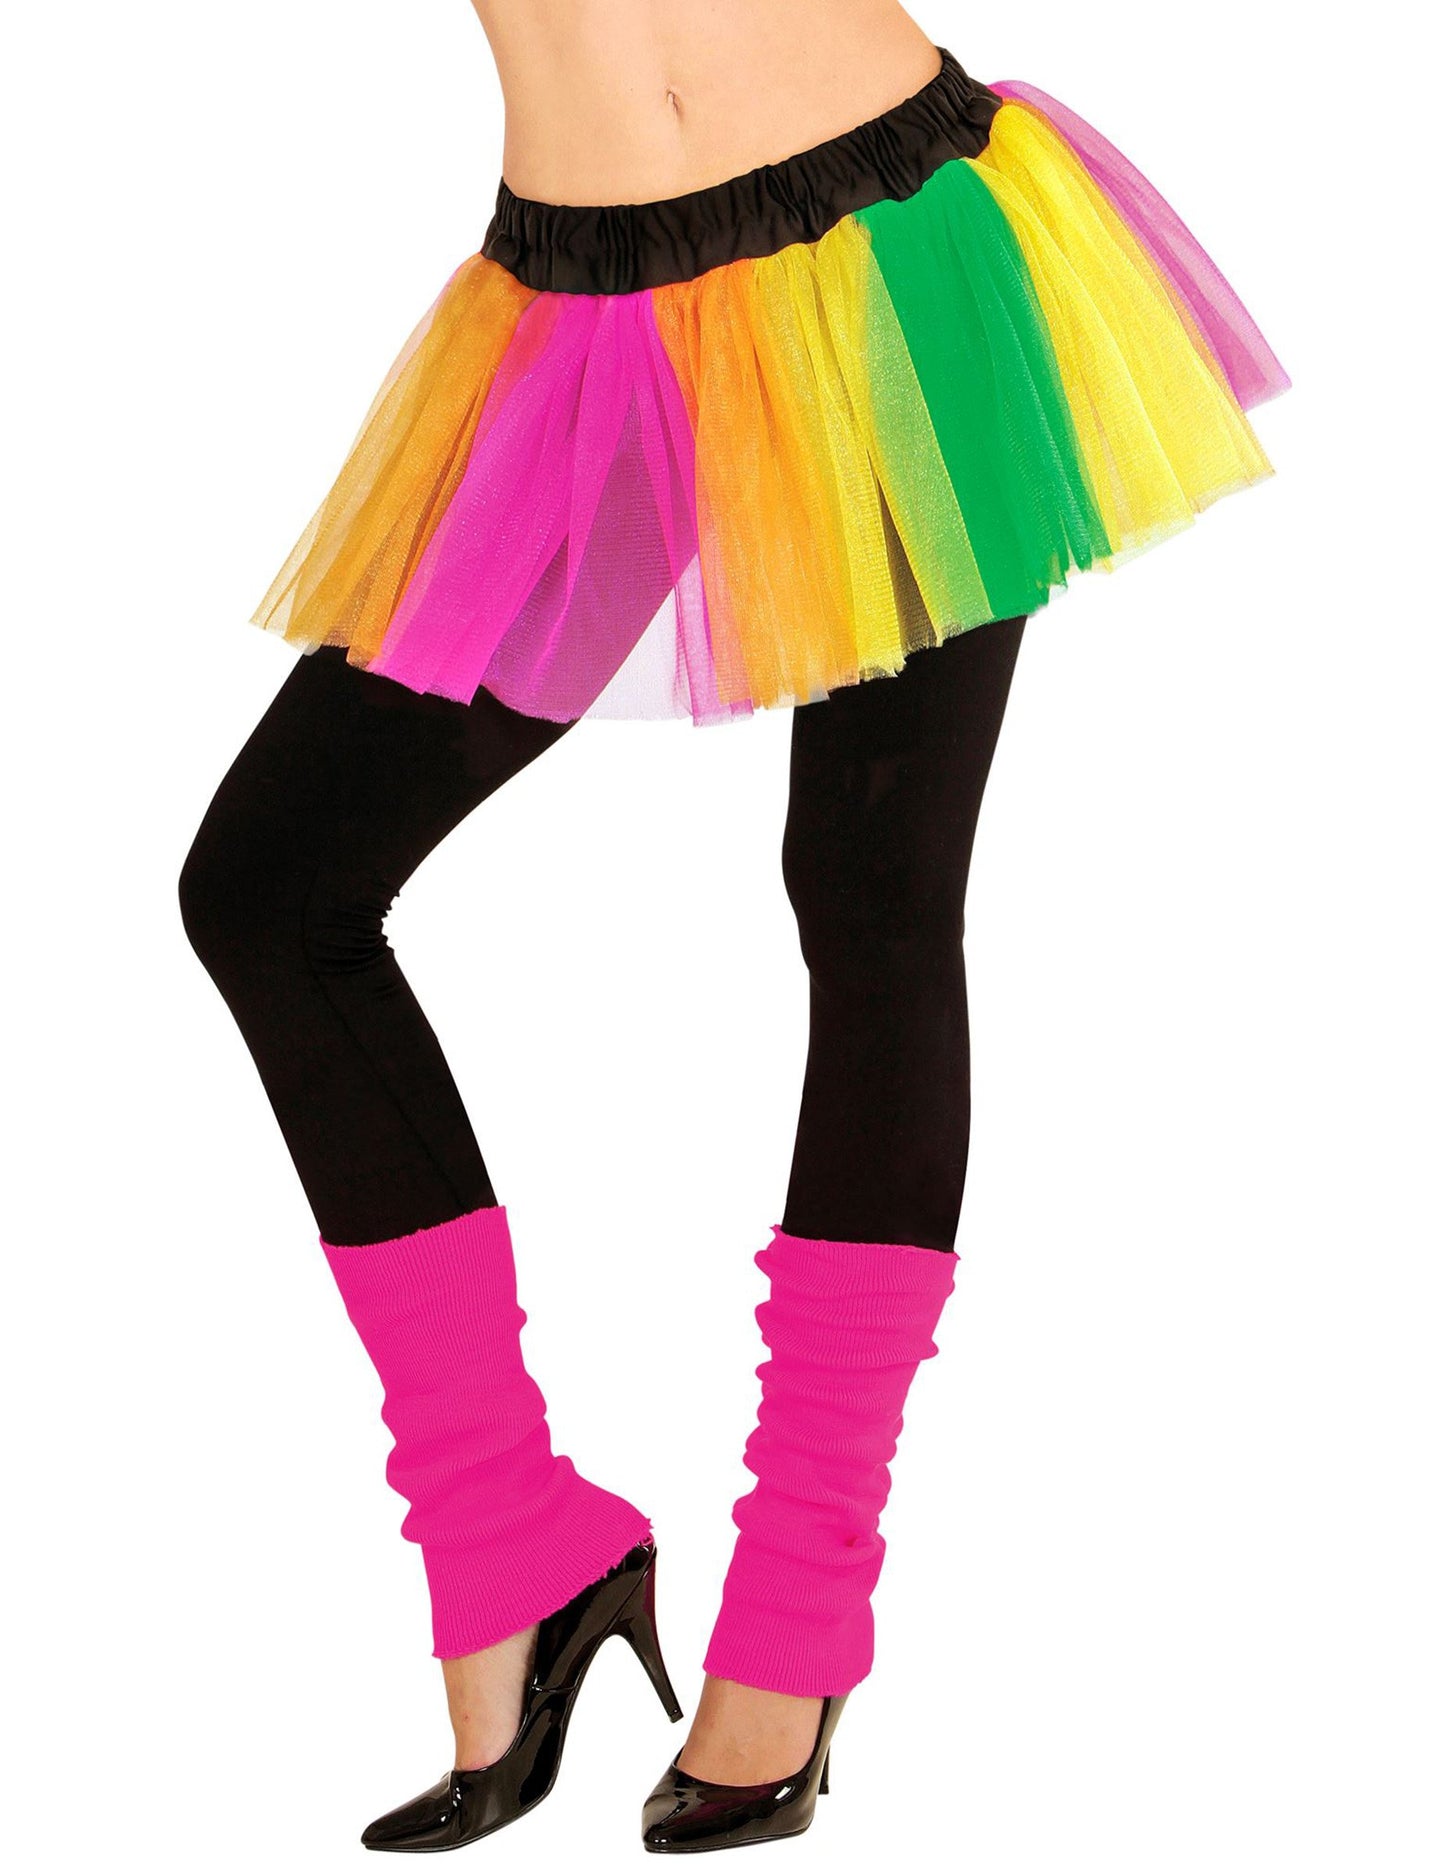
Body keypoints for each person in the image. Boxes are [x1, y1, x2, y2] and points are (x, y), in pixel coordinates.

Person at [178, 0, 1287, 1854]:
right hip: (584, 313)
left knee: (869, 895)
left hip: (889, 246)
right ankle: (507, 1539)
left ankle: (800, 1606)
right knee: (271, 895)